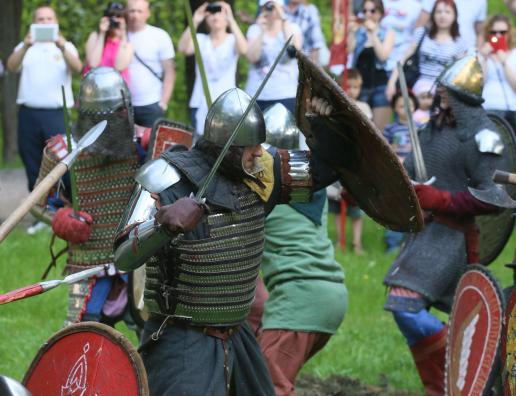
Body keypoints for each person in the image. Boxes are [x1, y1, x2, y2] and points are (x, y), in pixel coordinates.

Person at [113, 88, 341, 395]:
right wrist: (163, 225)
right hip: (182, 340)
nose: (260, 152)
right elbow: (123, 256)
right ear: (228, 147)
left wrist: (325, 127)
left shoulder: (261, 176)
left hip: (237, 334)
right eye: (251, 147)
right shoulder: (164, 177)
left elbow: (321, 172)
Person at [383, 54, 509, 395]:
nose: (440, 96)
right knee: (405, 307)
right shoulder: (432, 130)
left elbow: (495, 199)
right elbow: (408, 175)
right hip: (425, 235)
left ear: (461, 96)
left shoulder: (484, 136)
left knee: (406, 306)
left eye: (446, 91)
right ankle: (445, 385)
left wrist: (440, 200)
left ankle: (458, 375)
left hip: (454, 239)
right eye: (440, 90)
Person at [35, 68, 140, 328]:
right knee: (83, 336)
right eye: (108, 116)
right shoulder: (62, 152)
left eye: (119, 114)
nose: (116, 121)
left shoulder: (143, 143)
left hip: (136, 257)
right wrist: (61, 219)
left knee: (152, 334)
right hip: (87, 260)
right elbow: (36, 205)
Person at [257, 103, 348, 396]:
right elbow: (329, 160)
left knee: (267, 388)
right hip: (332, 297)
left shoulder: (262, 192)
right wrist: (323, 123)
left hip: (299, 301)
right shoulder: (313, 190)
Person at [6, 5, 82, 195]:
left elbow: (78, 67)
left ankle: (61, 208)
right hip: (28, 113)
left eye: (49, 19)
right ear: (34, 23)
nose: (45, 22)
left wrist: (62, 45)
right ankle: (38, 210)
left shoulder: (66, 46)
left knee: (61, 161)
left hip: (56, 114)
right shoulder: (26, 46)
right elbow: (11, 66)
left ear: (56, 22)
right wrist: (25, 45)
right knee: (31, 160)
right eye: (41, 19)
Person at [178, 1, 247, 140]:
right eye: (212, 14)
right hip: (200, 101)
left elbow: (244, 50)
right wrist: (195, 19)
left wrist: (232, 20)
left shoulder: (233, 40)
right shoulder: (200, 39)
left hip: (227, 105)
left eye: (220, 13)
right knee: (200, 145)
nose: (215, 17)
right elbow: (183, 48)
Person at [386, 0, 467, 101]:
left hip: (445, 93)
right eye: (439, 12)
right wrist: (391, 83)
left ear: (455, 15)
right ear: (433, 14)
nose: (442, 15)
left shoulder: (460, 43)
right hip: (419, 87)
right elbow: (403, 59)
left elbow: (462, 74)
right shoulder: (421, 34)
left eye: (447, 12)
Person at [246, 0, 302, 113]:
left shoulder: (293, 28)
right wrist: (262, 31)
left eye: (273, 6)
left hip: (286, 94)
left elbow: (294, 51)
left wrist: (283, 19)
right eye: (266, 7)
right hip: (257, 94)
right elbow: (253, 58)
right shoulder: (254, 29)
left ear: (282, 7)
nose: (270, 10)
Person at [347, 0, 395, 131]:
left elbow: (383, 56)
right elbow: (348, 50)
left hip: (380, 86)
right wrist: (351, 32)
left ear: (380, 13)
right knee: (359, 130)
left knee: (380, 132)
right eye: (365, 11)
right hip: (359, 87)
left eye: (372, 11)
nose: (368, 14)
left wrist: (373, 33)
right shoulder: (359, 31)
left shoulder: (387, 32)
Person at [126, 0, 176, 127]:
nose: (135, 15)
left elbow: (170, 71)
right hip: (123, 106)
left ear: (147, 13)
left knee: (152, 145)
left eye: (139, 11)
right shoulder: (119, 35)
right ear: (126, 12)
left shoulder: (159, 36)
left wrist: (163, 102)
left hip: (152, 103)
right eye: (132, 11)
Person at [383, 90, 418, 253]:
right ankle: (393, 243)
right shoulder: (390, 129)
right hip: (397, 173)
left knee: (415, 206)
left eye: (409, 105)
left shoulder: (422, 128)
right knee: (395, 206)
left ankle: (412, 242)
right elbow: (383, 149)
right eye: (402, 106)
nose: (406, 108)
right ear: (395, 108)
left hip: (415, 173)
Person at [479, 14, 516, 129]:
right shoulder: (481, 53)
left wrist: (504, 62)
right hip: (488, 106)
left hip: (512, 109)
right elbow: (478, 85)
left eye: (502, 32)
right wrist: (483, 58)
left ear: (509, 33)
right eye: (493, 32)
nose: (498, 35)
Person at [84, 2, 134, 83]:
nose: (115, 20)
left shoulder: (127, 43)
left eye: (119, 17)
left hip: (117, 90)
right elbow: (93, 64)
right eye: (112, 17)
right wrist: (102, 33)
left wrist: (123, 33)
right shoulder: (95, 36)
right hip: (95, 88)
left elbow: (119, 67)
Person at [417, 0, 487, 50]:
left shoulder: (480, 1)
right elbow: (421, 24)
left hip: (466, 54)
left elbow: (480, 33)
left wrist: (479, 54)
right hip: (433, 51)